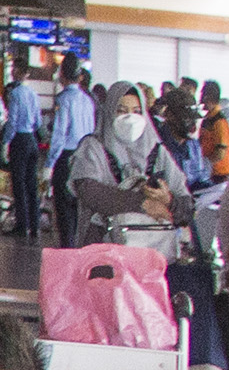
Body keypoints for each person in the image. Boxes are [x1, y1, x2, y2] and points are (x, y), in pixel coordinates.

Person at [64, 83, 190, 253]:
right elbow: (89, 191)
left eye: (137, 111)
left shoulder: (157, 151)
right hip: (103, 248)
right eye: (122, 111)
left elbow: (186, 202)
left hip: (151, 254)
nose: (130, 118)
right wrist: (142, 203)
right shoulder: (93, 147)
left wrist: (168, 201)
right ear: (109, 112)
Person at [3, 67, 49, 238]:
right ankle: (35, 225)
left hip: (19, 141)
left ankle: (22, 226)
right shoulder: (33, 94)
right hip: (32, 140)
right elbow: (38, 121)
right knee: (32, 185)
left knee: (19, 185)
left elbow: (12, 121)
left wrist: (6, 142)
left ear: (16, 73)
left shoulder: (15, 94)